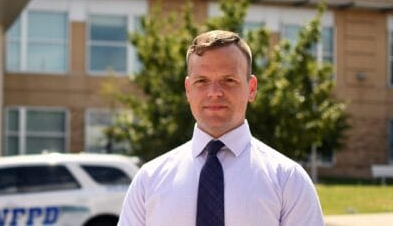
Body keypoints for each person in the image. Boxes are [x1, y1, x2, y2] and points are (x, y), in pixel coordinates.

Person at [118, 30, 324, 226]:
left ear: (251, 89)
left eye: (228, 80)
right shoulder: (149, 180)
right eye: (202, 81)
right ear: (188, 90)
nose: (214, 92)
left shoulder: (288, 180)